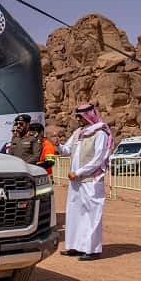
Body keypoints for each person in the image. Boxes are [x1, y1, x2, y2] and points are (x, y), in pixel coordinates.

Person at [55, 104, 112, 261]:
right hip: (76, 182)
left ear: (88, 116)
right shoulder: (78, 132)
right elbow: (67, 150)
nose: (78, 119)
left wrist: (79, 172)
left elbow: (98, 158)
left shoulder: (100, 133)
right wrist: (57, 145)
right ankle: (76, 247)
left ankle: (92, 249)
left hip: (90, 181)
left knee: (91, 214)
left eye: (80, 116)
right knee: (75, 213)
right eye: (77, 117)